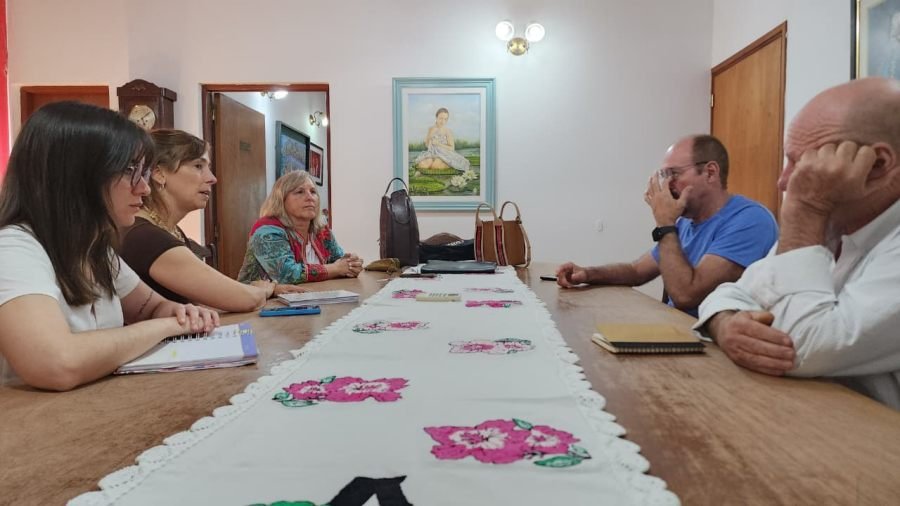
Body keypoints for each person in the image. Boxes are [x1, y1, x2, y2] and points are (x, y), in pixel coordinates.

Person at [696, 77, 900, 410]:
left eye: (801, 164)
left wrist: (806, 209)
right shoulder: (834, 223)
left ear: (877, 165)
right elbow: (731, 293)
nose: (783, 182)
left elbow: (795, 348)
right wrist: (726, 325)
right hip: (808, 422)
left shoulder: (813, 214)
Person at [0, 102, 219, 391]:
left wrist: (179, 313)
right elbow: (56, 363)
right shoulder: (14, 248)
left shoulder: (94, 247)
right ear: (77, 175)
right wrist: (170, 325)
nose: (145, 187)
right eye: (131, 170)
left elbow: (152, 307)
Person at [556, 135, 778, 316]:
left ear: (710, 172)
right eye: (664, 175)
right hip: (679, 335)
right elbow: (636, 271)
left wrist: (665, 223)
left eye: (674, 174)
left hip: (715, 352)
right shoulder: (682, 223)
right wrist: (587, 274)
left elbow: (686, 295)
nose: (666, 184)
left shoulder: (751, 221)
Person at [120, 129, 304, 313]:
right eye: (198, 166)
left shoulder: (168, 230)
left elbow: (204, 299)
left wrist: (261, 290)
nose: (212, 178)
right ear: (159, 173)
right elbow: (243, 299)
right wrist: (263, 289)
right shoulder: (145, 236)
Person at [237, 171, 363, 284]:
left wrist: (351, 265)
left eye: (313, 192)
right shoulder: (266, 230)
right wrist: (336, 268)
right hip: (259, 304)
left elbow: (340, 261)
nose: (310, 197)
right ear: (281, 199)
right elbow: (287, 274)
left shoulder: (321, 231)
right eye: (299, 192)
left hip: (311, 299)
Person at [413, 107, 471, 172]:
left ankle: (447, 164)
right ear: (436, 117)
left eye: (445, 119)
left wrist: (438, 144)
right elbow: (427, 145)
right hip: (432, 153)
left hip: (445, 154)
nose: (443, 121)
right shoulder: (431, 129)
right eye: (441, 118)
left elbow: (452, 148)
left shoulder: (447, 131)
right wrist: (429, 136)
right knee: (423, 165)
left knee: (435, 167)